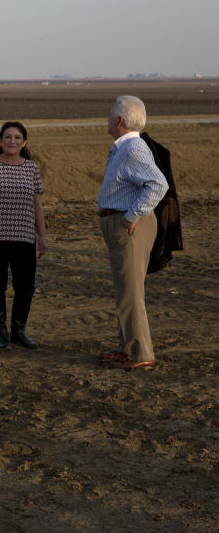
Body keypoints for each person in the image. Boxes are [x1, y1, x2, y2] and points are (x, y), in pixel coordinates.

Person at [97, 95, 167, 370]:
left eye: (110, 115)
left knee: (130, 291)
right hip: (121, 224)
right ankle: (127, 346)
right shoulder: (121, 148)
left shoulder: (133, 148)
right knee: (125, 289)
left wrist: (132, 215)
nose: (107, 119)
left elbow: (158, 185)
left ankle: (140, 353)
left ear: (120, 120)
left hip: (128, 226)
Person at [0, 122, 47, 349]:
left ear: (24, 142)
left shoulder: (32, 168)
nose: (12, 141)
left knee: (26, 286)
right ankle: (1, 332)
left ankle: (18, 331)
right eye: (7, 137)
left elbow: (38, 206)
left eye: (17, 137)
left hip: (24, 237)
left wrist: (42, 236)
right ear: (0, 140)